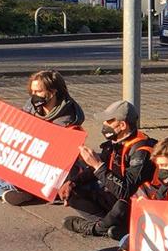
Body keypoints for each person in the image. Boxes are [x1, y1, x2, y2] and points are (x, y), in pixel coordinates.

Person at [0, 70, 84, 205]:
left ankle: (4, 189)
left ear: (53, 92)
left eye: (38, 92)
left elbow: (62, 158)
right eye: (32, 92)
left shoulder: (69, 120)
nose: (34, 96)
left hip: (49, 168)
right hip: (28, 163)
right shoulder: (30, 107)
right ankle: (7, 189)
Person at [61, 100, 156, 239]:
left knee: (121, 204)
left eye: (108, 121)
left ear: (122, 125)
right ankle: (112, 227)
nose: (104, 125)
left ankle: (97, 229)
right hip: (114, 195)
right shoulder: (115, 143)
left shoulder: (142, 151)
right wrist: (73, 182)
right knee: (72, 193)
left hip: (140, 204)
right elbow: (97, 169)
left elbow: (126, 190)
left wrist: (98, 165)